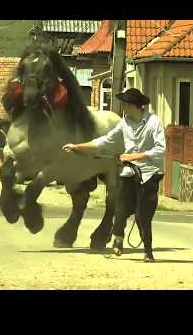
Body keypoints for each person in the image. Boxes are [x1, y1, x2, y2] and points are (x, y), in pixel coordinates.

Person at [62, 88, 165, 262]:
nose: (123, 107)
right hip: (129, 171)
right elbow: (106, 140)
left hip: (150, 173)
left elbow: (160, 149)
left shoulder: (153, 122)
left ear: (135, 106)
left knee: (142, 215)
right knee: (120, 208)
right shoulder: (125, 123)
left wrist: (133, 156)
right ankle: (118, 238)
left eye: (125, 104)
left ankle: (148, 251)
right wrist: (78, 147)